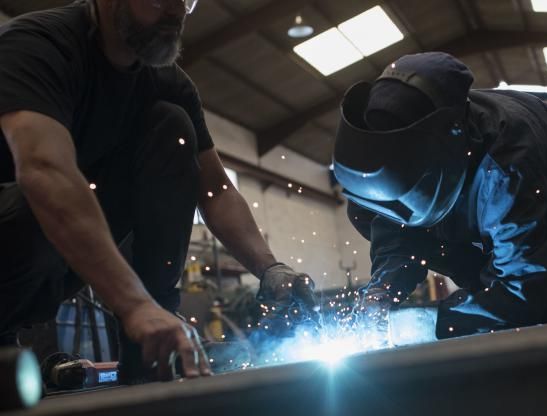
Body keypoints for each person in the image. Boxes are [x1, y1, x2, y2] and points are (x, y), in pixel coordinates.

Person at [0, 0, 314, 381]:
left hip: (55, 260)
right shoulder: (40, 46)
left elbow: (215, 191)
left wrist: (271, 268)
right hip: (16, 244)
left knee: (172, 125)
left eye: (187, 0)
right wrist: (133, 304)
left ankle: (149, 347)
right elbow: (45, 172)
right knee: (43, 197)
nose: (176, 11)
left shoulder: (168, 84)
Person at [334, 52, 547, 338]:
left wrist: (427, 324)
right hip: (470, 208)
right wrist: (381, 293)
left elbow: (522, 287)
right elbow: (398, 231)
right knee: (485, 299)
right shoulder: (389, 157)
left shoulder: (508, 163)